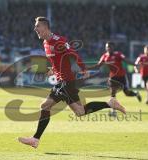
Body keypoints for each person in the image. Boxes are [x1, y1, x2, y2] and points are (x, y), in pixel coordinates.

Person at [18, 17, 126, 148]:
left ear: (45, 27)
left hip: (66, 81)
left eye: (37, 26)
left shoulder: (58, 41)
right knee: (80, 112)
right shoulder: (45, 44)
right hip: (62, 81)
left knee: (45, 106)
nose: (35, 29)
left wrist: (83, 68)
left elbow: (73, 54)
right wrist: (52, 70)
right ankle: (110, 103)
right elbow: (56, 61)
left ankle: (35, 139)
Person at [87, 42, 141, 117]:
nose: (108, 48)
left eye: (110, 47)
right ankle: (113, 111)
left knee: (127, 93)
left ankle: (136, 94)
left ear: (113, 47)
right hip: (113, 78)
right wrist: (87, 68)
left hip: (122, 76)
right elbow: (98, 65)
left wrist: (135, 64)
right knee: (113, 94)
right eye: (107, 47)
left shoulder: (118, 54)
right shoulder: (104, 56)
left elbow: (126, 60)